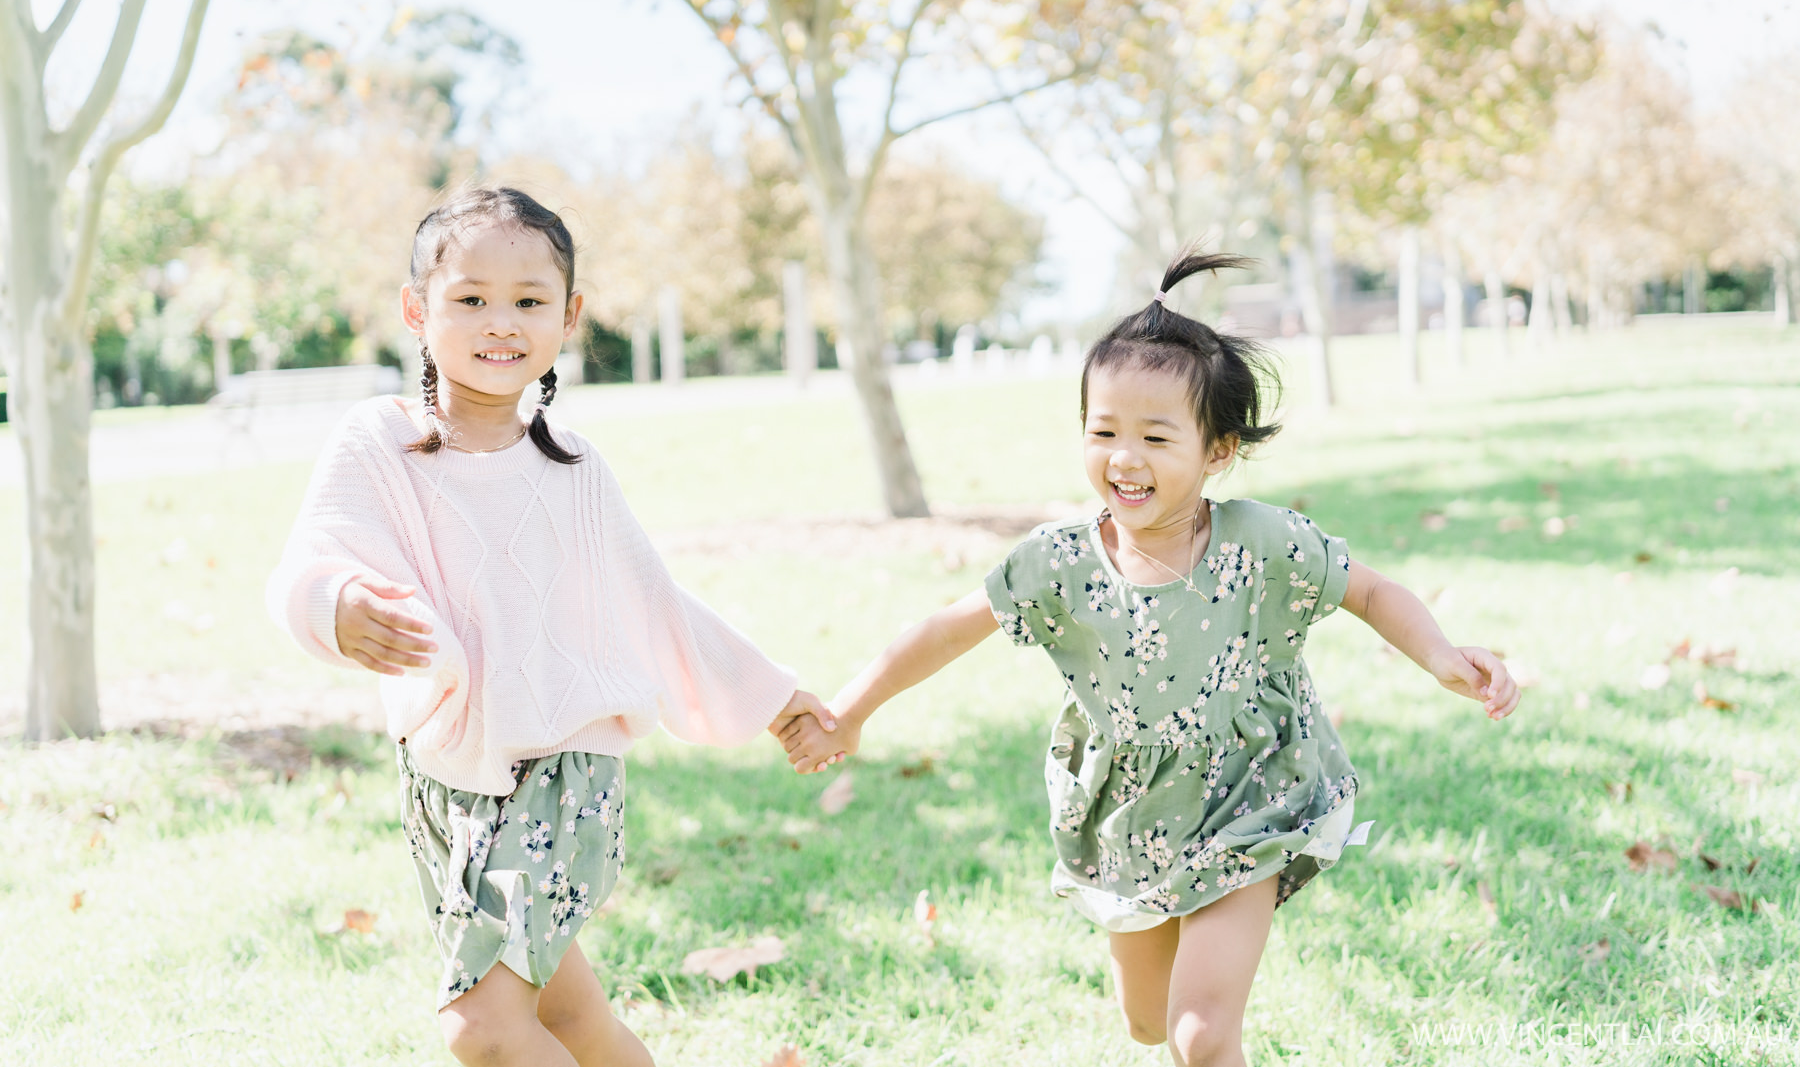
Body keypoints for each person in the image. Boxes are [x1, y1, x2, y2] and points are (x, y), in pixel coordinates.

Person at [779, 251, 1520, 1067]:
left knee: (1199, 1038)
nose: (1124, 457)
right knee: (1148, 1022)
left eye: (1156, 437)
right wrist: (850, 708)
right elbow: (945, 629)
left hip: (1252, 795)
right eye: (1104, 431)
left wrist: (1442, 655)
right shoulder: (1058, 561)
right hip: (1129, 818)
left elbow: (1371, 592)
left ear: (1217, 451)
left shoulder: (1263, 542)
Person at [267, 186, 833, 1067]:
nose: (501, 322)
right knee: (569, 1019)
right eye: (471, 299)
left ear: (567, 317)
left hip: (561, 779)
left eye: (529, 301)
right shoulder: (376, 441)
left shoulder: (571, 468)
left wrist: (769, 693)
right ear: (417, 310)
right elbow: (312, 558)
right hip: (447, 784)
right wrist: (333, 607)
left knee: (483, 1030)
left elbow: (656, 603)